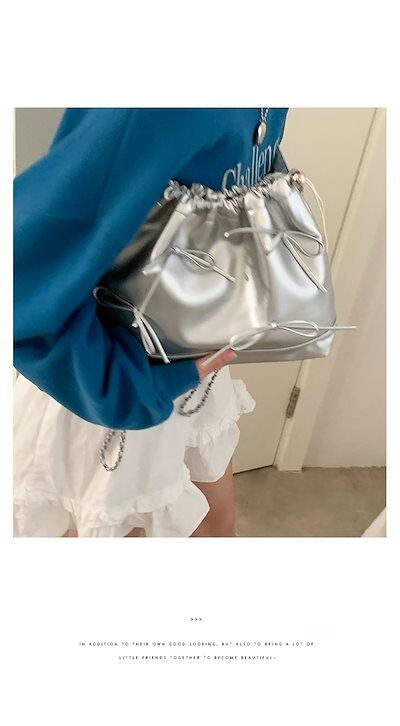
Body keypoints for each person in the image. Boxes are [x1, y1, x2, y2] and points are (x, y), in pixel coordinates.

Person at [13, 107, 288, 537]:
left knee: (217, 528)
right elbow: (20, 279)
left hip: (189, 353)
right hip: (114, 376)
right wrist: (128, 388)